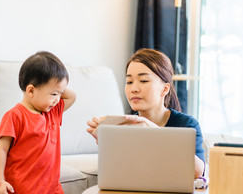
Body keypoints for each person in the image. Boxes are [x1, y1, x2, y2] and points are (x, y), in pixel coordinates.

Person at [87, 48, 205, 178]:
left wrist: (156, 134)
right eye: (129, 82)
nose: (134, 89)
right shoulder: (124, 127)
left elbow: (198, 172)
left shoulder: (186, 125)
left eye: (143, 81)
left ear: (165, 89)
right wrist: (108, 143)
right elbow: (121, 176)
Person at [0, 51, 76, 194]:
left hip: (52, 189)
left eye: (60, 94)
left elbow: (72, 97)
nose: (58, 99)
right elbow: (0, 149)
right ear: (30, 90)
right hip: (23, 189)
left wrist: (57, 84)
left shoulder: (53, 112)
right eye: (54, 94)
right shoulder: (14, 116)